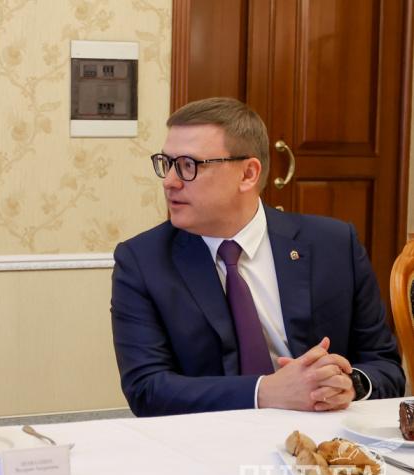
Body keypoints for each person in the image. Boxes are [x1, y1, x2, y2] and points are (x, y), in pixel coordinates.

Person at [111, 97, 405, 417]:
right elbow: (147, 390)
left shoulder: (333, 245)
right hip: (210, 438)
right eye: (166, 163)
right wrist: (264, 391)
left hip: (323, 434)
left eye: (188, 165)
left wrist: (349, 384)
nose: (170, 181)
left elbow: (385, 367)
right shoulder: (142, 261)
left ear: (248, 174)